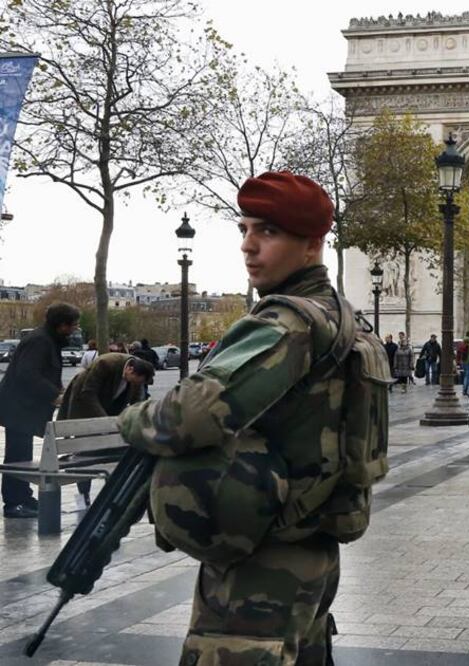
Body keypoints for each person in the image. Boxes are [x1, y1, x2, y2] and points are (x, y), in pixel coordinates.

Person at [117, 170, 363, 664]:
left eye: (267, 232)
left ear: (313, 244)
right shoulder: (340, 316)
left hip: (261, 561)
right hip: (310, 547)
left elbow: (186, 418)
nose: (248, 246)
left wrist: (131, 417)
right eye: (244, 229)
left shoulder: (286, 323)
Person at [0, 303, 80, 519]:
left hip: (22, 407)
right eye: (72, 325)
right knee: (17, 456)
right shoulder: (40, 341)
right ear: (61, 324)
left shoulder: (46, 339)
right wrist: (55, 394)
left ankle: (23, 498)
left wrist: (57, 389)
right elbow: (28, 374)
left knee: (21, 454)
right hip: (19, 408)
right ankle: (14, 503)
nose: (74, 329)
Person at [58, 353, 155, 509]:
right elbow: (88, 393)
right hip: (83, 404)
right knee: (84, 452)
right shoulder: (106, 364)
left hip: (109, 406)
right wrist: (105, 423)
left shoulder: (136, 376)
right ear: (130, 370)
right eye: (136, 381)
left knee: (116, 449)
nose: (137, 385)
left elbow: (137, 400)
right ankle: (83, 498)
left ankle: (112, 494)